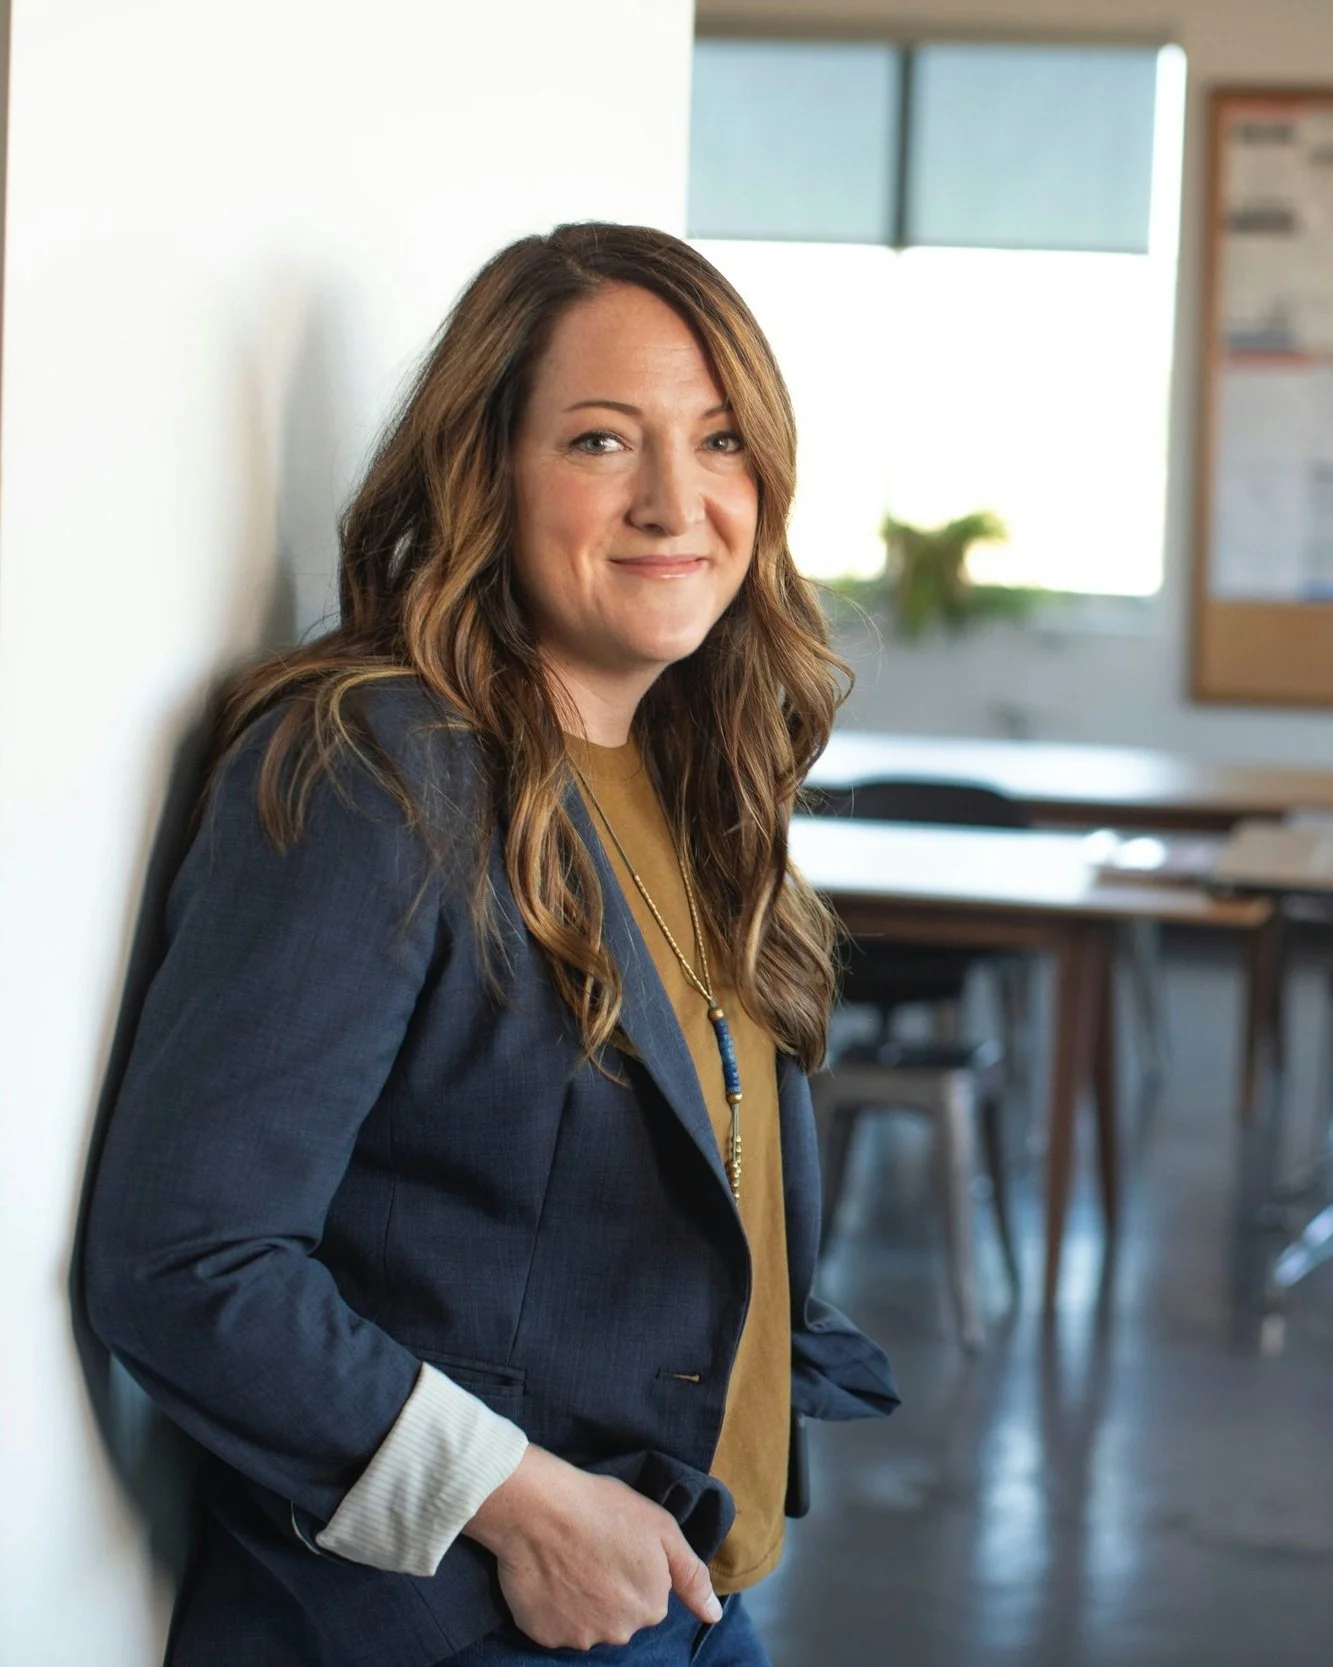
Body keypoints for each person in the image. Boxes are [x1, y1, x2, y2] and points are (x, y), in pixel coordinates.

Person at [84, 222, 899, 1666]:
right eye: (601, 440)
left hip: (686, 1586)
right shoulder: (379, 767)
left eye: (719, 440)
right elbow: (188, 1256)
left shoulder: (695, 773)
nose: (675, 500)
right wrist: (520, 1506)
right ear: (489, 470)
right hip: (476, 1612)